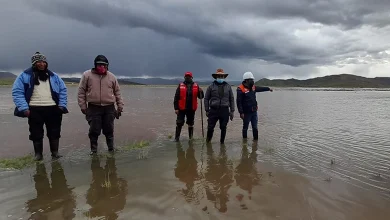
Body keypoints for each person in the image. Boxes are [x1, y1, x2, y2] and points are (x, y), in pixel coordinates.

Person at [12, 52, 68, 161]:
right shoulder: (24, 75)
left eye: (43, 62)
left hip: (53, 108)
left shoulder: (54, 76)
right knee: (36, 133)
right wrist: (24, 108)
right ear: (34, 63)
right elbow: (17, 92)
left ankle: (55, 153)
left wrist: (61, 106)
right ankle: (38, 155)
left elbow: (63, 90)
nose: (41, 64)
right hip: (34, 109)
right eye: (38, 62)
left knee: (54, 132)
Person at [77, 55, 124, 155]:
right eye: (99, 65)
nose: (101, 67)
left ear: (107, 66)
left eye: (104, 65)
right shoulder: (87, 75)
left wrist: (120, 107)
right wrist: (83, 106)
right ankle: (94, 151)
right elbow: (81, 91)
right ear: (95, 65)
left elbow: (117, 93)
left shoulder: (112, 77)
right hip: (93, 107)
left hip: (109, 108)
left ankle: (111, 149)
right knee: (94, 130)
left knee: (109, 130)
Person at [236, 71, 272, 140]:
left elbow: (260, 89)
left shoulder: (253, 87)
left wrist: (268, 88)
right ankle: (244, 142)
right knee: (245, 127)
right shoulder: (240, 89)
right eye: (251, 80)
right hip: (246, 113)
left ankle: (255, 142)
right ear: (246, 80)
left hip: (254, 111)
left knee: (255, 127)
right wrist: (241, 113)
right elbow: (239, 102)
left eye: (253, 80)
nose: (252, 81)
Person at [204, 68, 235, 144]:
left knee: (223, 127)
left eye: (222, 76)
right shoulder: (211, 86)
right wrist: (207, 110)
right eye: (219, 76)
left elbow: (231, 99)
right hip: (213, 110)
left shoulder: (228, 87)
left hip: (224, 110)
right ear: (216, 77)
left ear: (224, 77)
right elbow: (206, 98)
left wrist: (232, 111)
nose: (220, 78)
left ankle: (222, 144)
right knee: (210, 127)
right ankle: (208, 143)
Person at [173, 72, 204, 141]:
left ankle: (190, 138)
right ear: (184, 77)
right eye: (186, 76)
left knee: (190, 123)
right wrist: (176, 108)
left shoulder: (196, 86)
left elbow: (201, 97)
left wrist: (201, 92)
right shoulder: (180, 86)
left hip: (191, 108)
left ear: (191, 77)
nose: (188, 78)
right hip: (181, 108)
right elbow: (176, 98)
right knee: (179, 123)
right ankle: (176, 138)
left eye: (189, 76)